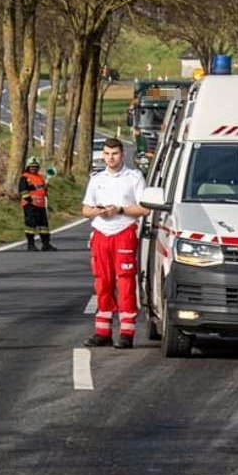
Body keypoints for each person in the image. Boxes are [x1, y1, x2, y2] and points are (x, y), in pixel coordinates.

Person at [81, 137, 147, 349]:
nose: (111, 158)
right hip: (101, 233)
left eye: (115, 154)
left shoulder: (134, 177)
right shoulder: (97, 178)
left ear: (122, 154)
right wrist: (98, 211)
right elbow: (85, 209)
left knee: (125, 281)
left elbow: (144, 208)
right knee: (102, 282)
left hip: (123, 231)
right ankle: (103, 331)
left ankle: (127, 332)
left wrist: (119, 210)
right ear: (103, 156)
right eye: (107, 154)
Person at [18, 158, 56, 251]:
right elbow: (23, 191)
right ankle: (31, 245)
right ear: (28, 167)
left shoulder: (39, 177)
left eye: (35, 167)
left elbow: (42, 190)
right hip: (30, 205)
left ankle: (46, 244)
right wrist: (30, 201)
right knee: (30, 226)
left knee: (44, 226)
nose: (34, 169)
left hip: (41, 205)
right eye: (32, 167)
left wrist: (45, 189)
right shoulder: (25, 177)